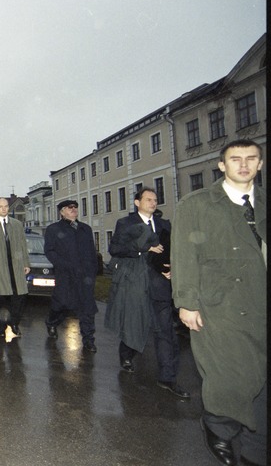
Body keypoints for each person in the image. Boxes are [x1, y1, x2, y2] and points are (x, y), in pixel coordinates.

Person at [172, 139, 266, 466]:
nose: (244, 164)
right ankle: (220, 424)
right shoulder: (197, 205)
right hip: (219, 303)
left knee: (261, 377)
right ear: (222, 166)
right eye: (235, 159)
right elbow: (184, 255)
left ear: (260, 163)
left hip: (260, 301)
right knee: (230, 373)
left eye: (251, 158)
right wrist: (186, 302)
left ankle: (256, 448)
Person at [105, 188, 189, 399]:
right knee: (134, 324)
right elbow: (115, 249)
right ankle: (126, 354)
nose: (153, 202)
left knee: (164, 332)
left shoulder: (164, 225)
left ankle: (167, 377)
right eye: (148, 199)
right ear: (137, 202)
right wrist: (144, 248)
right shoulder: (126, 224)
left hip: (159, 284)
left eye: (155, 199)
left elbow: (175, 248)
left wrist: (172, 268)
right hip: (135, 283)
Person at [44, 199, 99, 352]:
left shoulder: (85, 229)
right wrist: (63, 265)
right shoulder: (54, 229)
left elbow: (91, 252)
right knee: (61, 304)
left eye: (75, 207)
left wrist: (93, 271)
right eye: (70, 208)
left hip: (85, 277)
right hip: (66, 275)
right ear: (62, 212)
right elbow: (50, 251)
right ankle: (52, 322)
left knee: (87, 308)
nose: (74, 210)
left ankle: (89, 339)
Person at [0, 197, 31, 337]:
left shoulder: (17, 224)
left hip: (16, 265)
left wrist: (26, 263)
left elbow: (23, 244)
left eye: (6, 206)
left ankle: (14, 323)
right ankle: (0, 327)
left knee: (19, 296)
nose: (4, 209)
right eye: (0, 206)